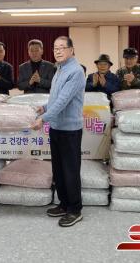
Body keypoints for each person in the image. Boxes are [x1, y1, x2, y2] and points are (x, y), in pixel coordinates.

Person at [33, 36, 86, 228]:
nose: (58, 51)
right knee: (59, 170)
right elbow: (56, 98)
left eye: (62, 47)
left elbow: (64, 101)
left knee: (70, 170)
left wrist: (43, 118)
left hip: (70, 130)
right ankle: (64, 204)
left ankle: (75, 209)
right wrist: (45, 107)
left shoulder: (76, 71)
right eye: (55, 47)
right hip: (56, 127)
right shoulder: (60, 69)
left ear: (71, 50)